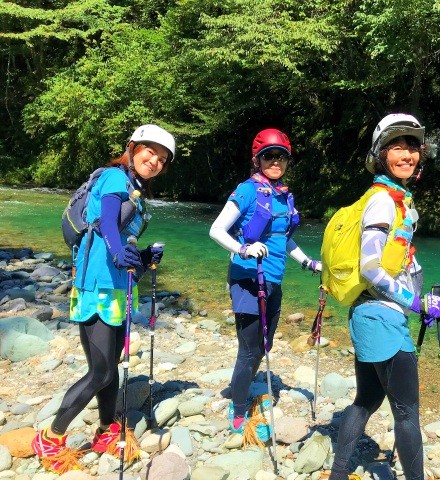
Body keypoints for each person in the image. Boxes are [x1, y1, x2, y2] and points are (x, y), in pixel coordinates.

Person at [32, 124, 176, 473]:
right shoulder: (114, 178)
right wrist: (115, 250)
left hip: (119, 291)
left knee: (111, 369)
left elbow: (124, 248)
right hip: (95, 289)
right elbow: (108, 223)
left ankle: (106, 430)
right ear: (133, 148)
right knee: (100, 372)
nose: (155, 161)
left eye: (162, 159)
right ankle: (50, 438)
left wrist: (144, 257)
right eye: (150, 151)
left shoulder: (138, 196)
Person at [328, 114, 440, 480]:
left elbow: (402, 258)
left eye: (412, 146)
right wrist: (416, 303)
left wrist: (419, 297)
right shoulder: (383, 202)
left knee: (367, 399)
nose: (407, 154)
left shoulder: (398, 200)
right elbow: (371, 268)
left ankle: (338, 474)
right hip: (382, 318)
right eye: (397, 147)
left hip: (369, 314)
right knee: (407, 413)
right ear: (380, 155)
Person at [209, 128, 321, 435]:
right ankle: (238, 408)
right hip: (248, 279)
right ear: (257, 160)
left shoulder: (282, 196)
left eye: (281, 157)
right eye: (268, 156)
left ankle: (241, 388)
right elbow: (216, 230)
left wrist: (308, 262)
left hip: (273, 279)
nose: (275, 161)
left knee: (264, 345)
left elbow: (283, 239)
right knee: (249, 349)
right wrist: (243, 249)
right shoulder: (247, 191)